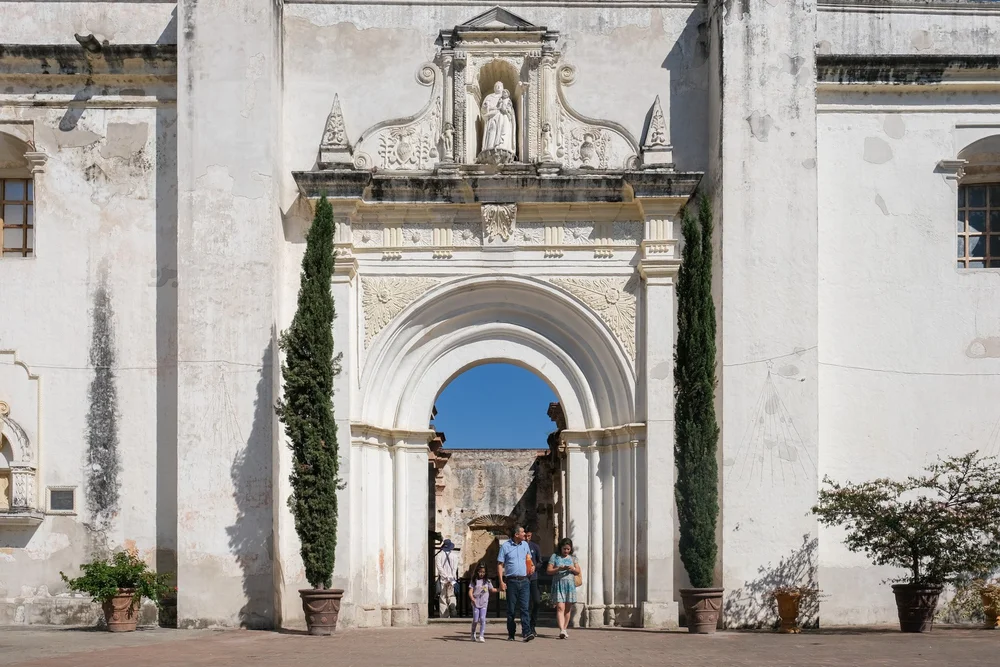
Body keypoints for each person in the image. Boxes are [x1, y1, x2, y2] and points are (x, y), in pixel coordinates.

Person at [497, 525, 535, 642]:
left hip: (524, 580)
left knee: (525, 608)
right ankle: (511, 633)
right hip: (512, 580)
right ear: (516, 534)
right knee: (511, 609)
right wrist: (501, 581)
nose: (525, 534)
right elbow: (500, 564)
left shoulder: (525, 545)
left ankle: (526, 632)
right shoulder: (505, 546)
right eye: (523, 532)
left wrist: (532, 566)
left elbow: (529, 559)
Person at [547, 537, 580, 639]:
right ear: (560, 548)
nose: (566, 551)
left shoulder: (573, 558)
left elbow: (578, 571)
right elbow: (548, 570)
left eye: (568, 549)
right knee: (560, 607)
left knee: (567, 609)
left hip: (569, 586)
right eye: (564, 549)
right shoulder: (554, 557)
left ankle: (564, 629)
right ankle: (561, 629)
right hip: (559, 585)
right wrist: (558, 568)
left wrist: (573, 568)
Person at [468, 562, 495, 643]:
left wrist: (500, 588)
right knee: (476, 619)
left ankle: (481, 635)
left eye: (483, 572)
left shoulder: (487, 581)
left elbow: (492, 589)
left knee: (482, 619)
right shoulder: (474, 580)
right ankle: (473, 633)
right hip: (476, 603)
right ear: (477, 571)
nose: (481, 574)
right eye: (480, 572)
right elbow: (470, 590)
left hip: (484, 603)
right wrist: (472, 598)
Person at [524, 528, 542, 633]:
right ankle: (526, 626)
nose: (527, 538)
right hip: (523, 578)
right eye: (525, 536)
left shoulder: (535, 547)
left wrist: (535, 567)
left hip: (533, 578)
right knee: (525, 603)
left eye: (529, 536)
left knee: (536, 601)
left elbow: (540, 561)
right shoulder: (519, 547)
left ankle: (533, 624)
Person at [435, 539, 458, 618]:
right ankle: (453, 607)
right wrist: (451, 577)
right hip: (452, 579)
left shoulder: (439, 555)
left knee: (443, 598)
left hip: (443, 580)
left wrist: (445, 576)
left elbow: (439, 567)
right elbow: (455, 568)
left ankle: (444, 616)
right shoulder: (454, 556)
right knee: (451, 595)